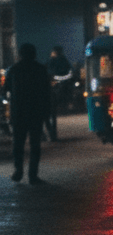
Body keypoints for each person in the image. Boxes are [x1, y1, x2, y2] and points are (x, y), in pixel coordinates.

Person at [8, 44, 51, 184]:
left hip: (18, 113)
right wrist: (46, 113)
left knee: (18, 144)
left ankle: (18, 170)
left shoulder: (14, 70)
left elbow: (5, 90)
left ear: (20, 54)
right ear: (34, 54)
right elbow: (47, 93)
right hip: (35, 113)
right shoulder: (40, 69)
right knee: (35, 145)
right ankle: (33, 175)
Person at [46, 45, 73, 140]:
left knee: (49, 115)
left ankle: (52, 134)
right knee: (51, 115)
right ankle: (53, 134)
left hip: (54, 86)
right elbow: (69, 72)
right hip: (59, 84)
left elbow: (50, 73)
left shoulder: (52, 61)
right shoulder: (62, 60)